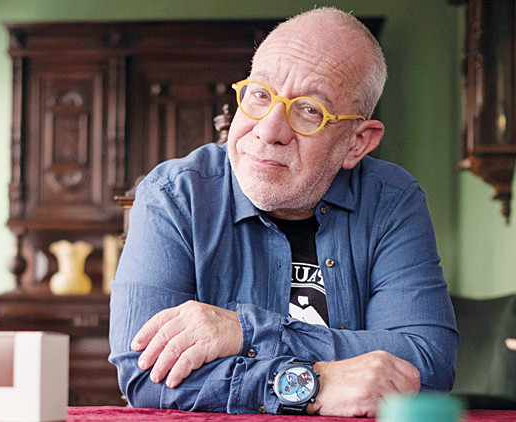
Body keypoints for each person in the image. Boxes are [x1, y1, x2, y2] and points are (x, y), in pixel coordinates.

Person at [109, 7, 459, 417]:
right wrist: (311, 383)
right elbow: (145, 373)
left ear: (357, 143)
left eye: (309, 109)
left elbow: (426, 364)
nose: (268, 130)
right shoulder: (174, 196)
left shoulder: (391, 200)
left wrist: (244, 331)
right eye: (260, 94)